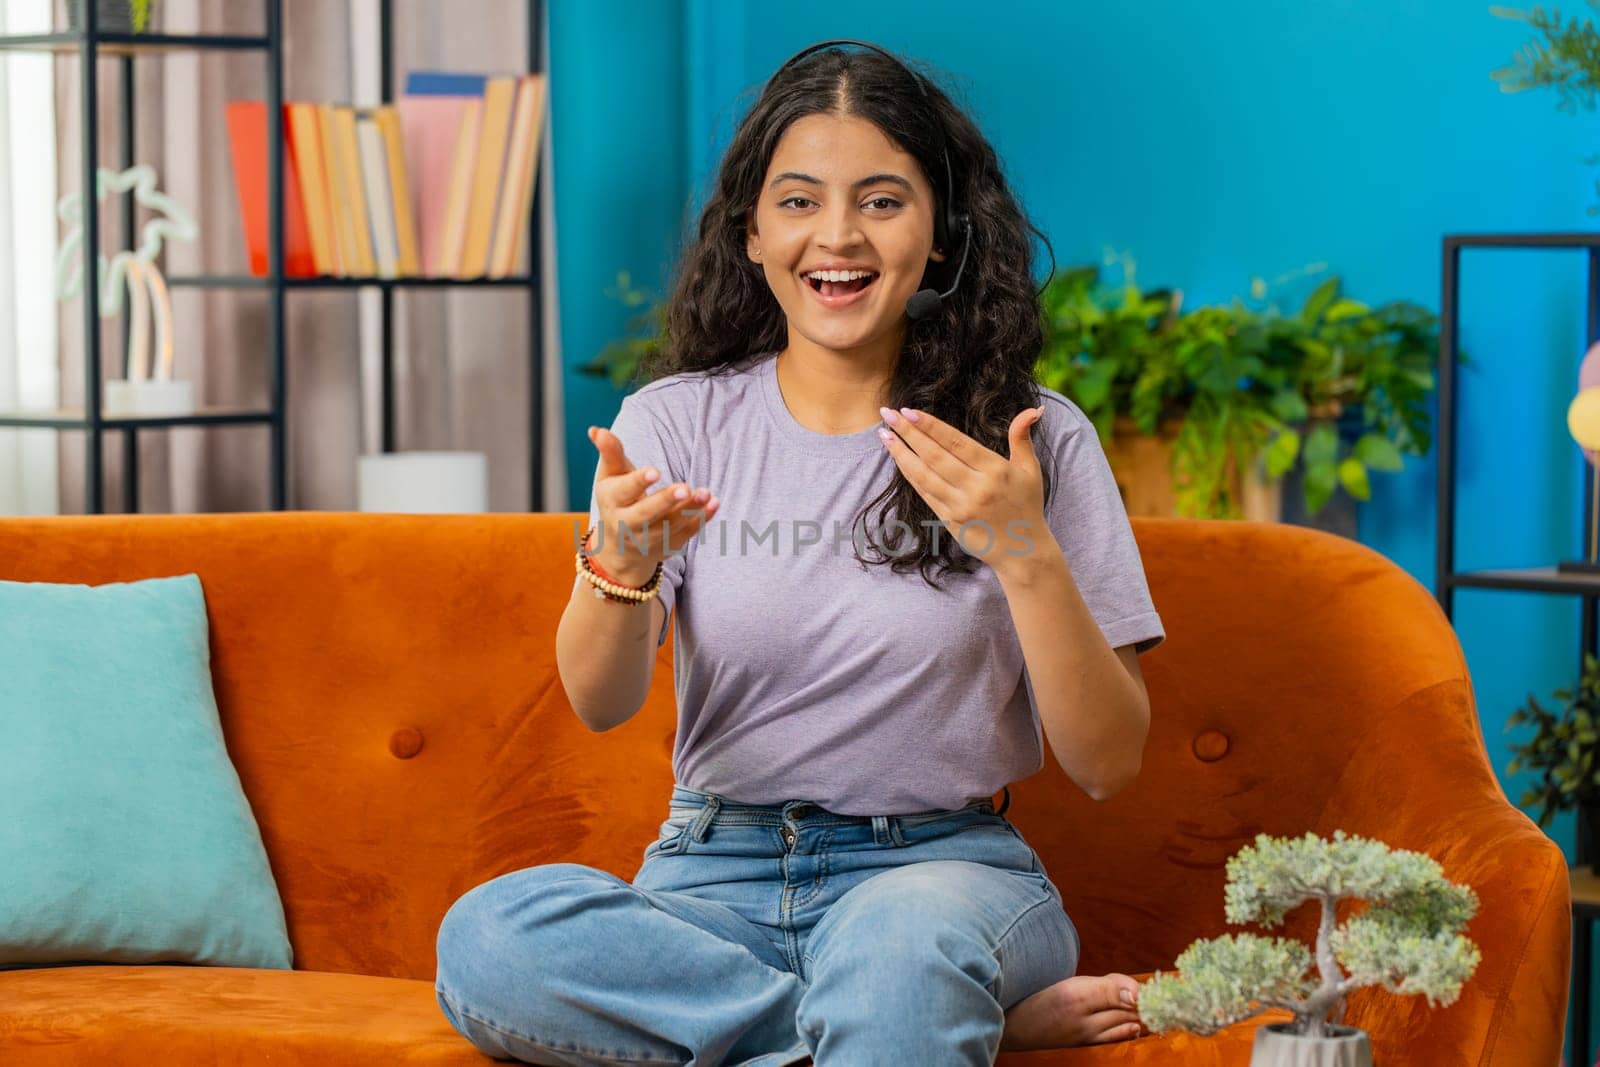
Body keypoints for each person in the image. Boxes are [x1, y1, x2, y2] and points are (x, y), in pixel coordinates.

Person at [434, 39, 1166, 1067]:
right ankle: (941, 1024)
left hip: (942, 874)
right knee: (489, 939)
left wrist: (1024, 551)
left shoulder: (1027, 439)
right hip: (709, 874)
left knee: (899, 949)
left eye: (880, 201)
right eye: (797, 201)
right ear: (750, 230)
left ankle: (912, 999)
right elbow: (599, 700)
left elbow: (1107, 761)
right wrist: (621, 568)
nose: (836, 235)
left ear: (944, 235)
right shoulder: (675, 421)